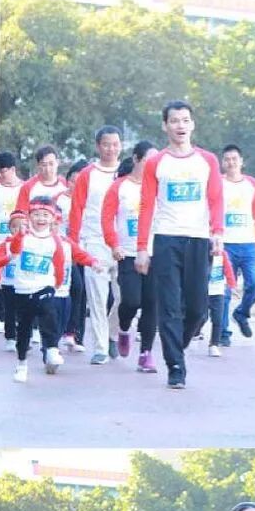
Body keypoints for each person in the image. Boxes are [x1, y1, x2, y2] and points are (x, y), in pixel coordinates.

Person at [136, 100, 223, 390]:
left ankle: (177, 345)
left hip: (198, 239)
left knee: (198, 310)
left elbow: (215, 198)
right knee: (170, 307)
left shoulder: (207, 160)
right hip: (166, 239)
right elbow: (147, 205)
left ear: (192, 124)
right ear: (165, 126)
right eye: (174, 121)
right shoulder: (156, 163)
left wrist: (217, 231)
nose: (180, 126)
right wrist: (142, 248)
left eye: (185, 120)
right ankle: (175, 366)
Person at [68, 125, 124, 364]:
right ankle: (100, 347)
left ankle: (112, 333)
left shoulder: (126, 172)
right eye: (106, 144)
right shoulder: (87, 174)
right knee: (98, 298)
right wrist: (74, 243)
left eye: (115, 144)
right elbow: (76, 209)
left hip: (123, 244)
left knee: (125, 298)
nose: (111, 149)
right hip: (94, 242)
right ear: (98, 146)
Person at [100, 140, 157, 368]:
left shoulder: (159, 187)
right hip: (127, 253)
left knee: (152, 303)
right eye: (148, 160)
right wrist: (114, 244)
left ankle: (146, 354)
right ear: (136, 159)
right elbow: (107, 219)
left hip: (155, 253)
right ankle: (123, 328)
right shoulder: (119, 187)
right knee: (131, 301)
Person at [219, 144, 255, 343]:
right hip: (225, 244)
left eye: (234, 159)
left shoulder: (251, 184)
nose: (231, 163)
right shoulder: (217, 183)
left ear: (241, 161)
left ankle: (241, 312)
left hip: (248, 244)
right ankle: (223, 332)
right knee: (224, 290)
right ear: (223, 163)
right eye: (227, 159)